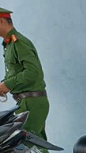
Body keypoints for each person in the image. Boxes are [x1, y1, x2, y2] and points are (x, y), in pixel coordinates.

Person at [0, 8, 49, 140]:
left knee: (27, 144)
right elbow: (15, 73)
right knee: (35, 146)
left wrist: (7, 84)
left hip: (32, 102)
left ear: (1, 21)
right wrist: (3, 85)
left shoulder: (19, 42)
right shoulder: (8, 44)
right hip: (25, 102)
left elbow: (33, 72)